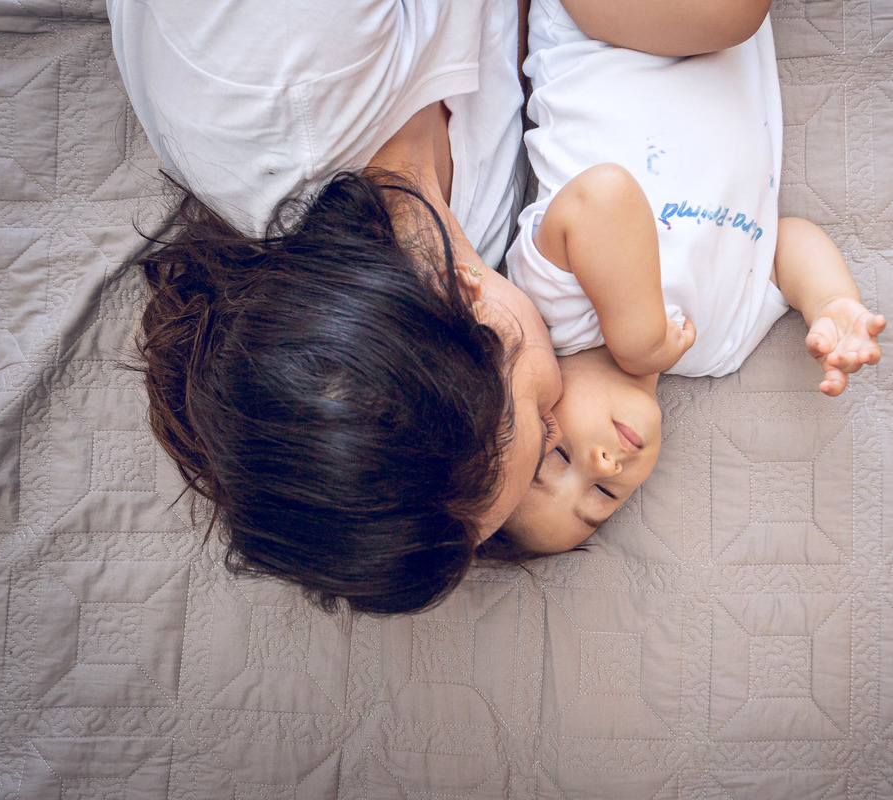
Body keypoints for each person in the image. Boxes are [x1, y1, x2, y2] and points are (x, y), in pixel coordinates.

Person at [106, 0, 780, 613]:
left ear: (464, 301)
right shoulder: (473, 226)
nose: (564, 398)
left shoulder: (276, 65)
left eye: (541, 413)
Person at [500, 0, 886, 553]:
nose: (604, 464)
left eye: (560, 457)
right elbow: (782, 248)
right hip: (709, 36)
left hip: (601, 29)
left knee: (735, 14)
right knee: (736, 16)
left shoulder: (552, 311)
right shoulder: (717, 349)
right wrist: (830, 302)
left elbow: (604, 195)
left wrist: (638, 342)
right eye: (602, 495)